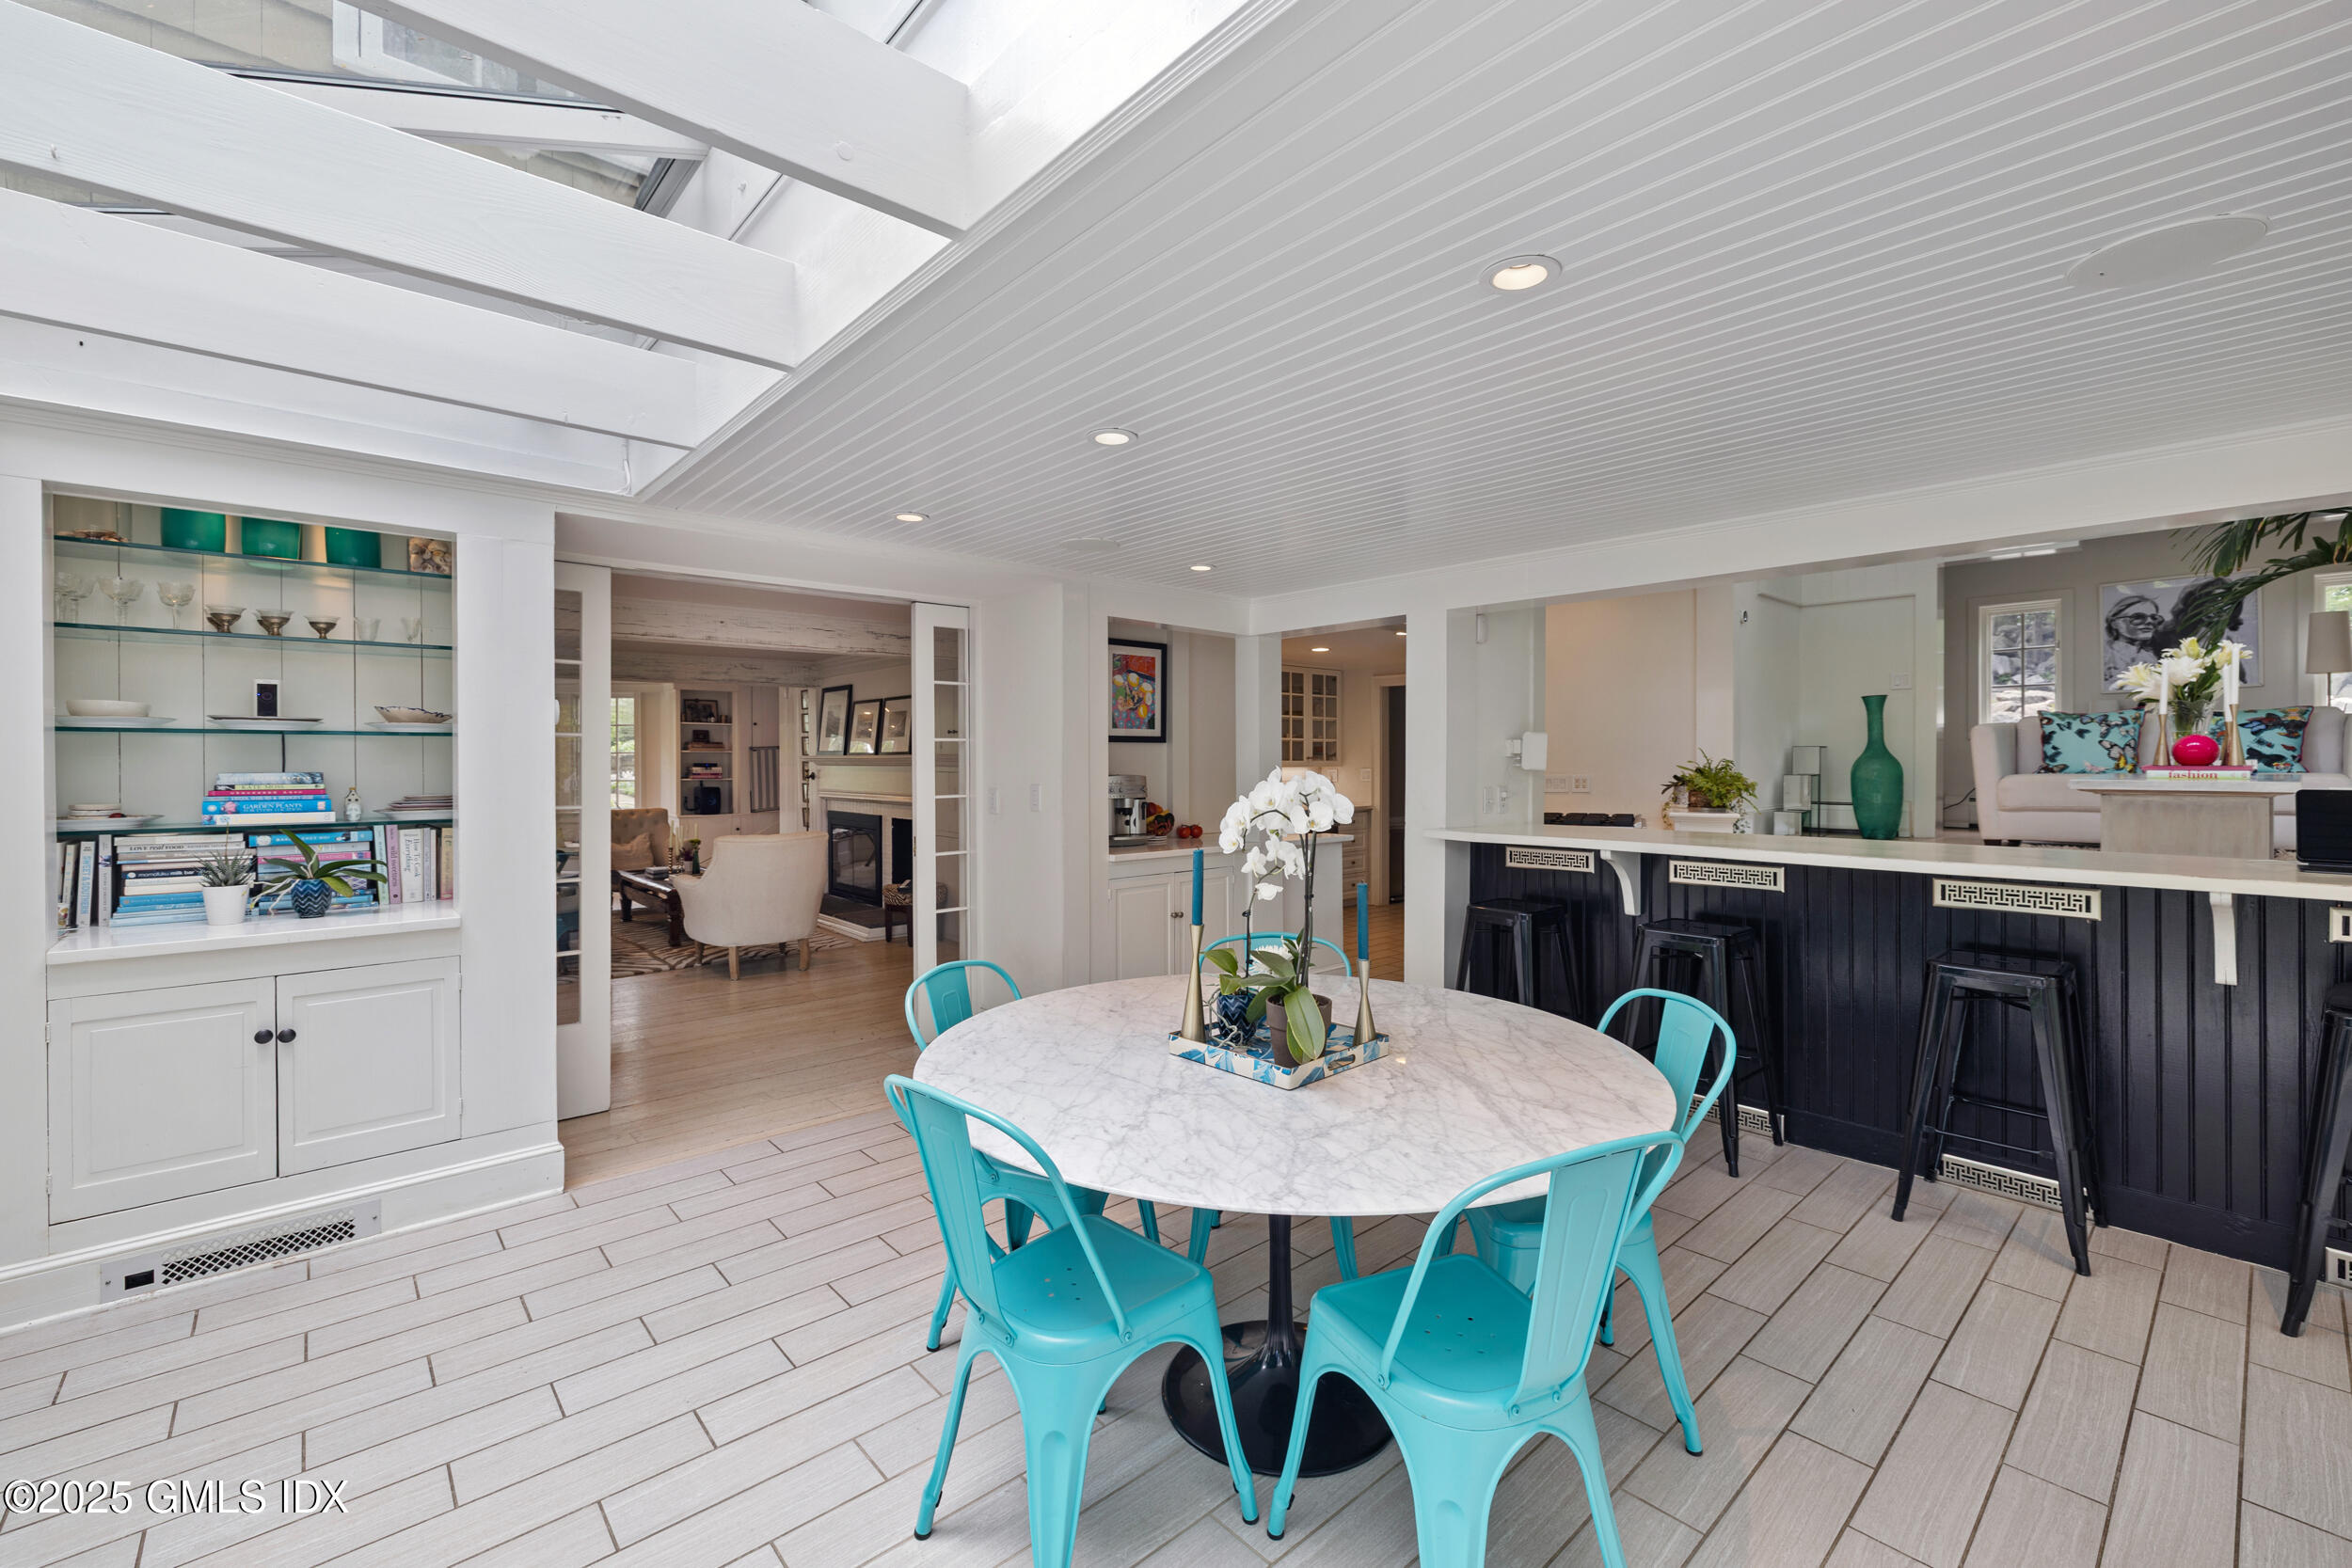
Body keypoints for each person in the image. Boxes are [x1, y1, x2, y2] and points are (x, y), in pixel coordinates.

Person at [2103, 594, 2164, 685]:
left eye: (2154, 618)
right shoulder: (2104, 655)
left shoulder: (2152, 658)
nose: (2149, 622)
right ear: (2115, 623)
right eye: (2138, 617)